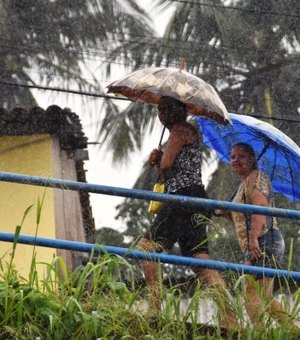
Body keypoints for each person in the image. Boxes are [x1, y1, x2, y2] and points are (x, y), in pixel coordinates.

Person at [137, 95, 236, 328]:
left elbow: (167, 167)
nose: (162, 115)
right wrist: (161, 158)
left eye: (166, 110)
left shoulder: (180, 130)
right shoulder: (186, 131)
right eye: (159, 110)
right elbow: (172, 164)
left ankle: (154, 305)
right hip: (196, 198)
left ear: (178, 111)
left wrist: (161, 161)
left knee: (146, 248)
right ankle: (229, 316)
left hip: (181, 199)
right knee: (199, 259)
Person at [215, 142, 289, 326]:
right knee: (257, 296)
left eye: (241, 156)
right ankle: (289, 331)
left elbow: (260, 209)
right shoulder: (245, 183)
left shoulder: (256, 178)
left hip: (264, 240)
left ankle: (272, 334)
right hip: (256, 242)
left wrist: (254, 239)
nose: (235, 160)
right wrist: (229, 215)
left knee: (257, 297)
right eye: (233, 156)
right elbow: (244, 221)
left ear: (252, 159)